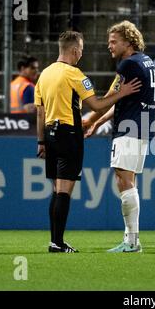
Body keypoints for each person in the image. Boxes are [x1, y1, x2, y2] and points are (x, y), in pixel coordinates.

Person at [35, 31, 141, 253]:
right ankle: (57, 243)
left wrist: (41, 142)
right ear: (74, 51)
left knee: (56, 190)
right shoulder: (74, 74)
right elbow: (97, 105)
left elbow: (40, 112)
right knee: (64, 191)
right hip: (68, 134)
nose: (81, 54)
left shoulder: (44, 75)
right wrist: (123, 93)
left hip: (49, 134)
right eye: (81, 50)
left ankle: (55, 240)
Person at [83, 21, 155, 253]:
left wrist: (88, 120)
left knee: (124, 182)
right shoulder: (147, 61)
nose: (109, 46)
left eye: (114, 41)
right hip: (141, 126)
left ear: (128, 41)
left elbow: (109, 97)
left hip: (129, 128)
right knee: (128, 181)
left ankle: (132, 242)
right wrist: (97, 122)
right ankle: (130, 239)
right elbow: (121, 101)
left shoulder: (128, 65)